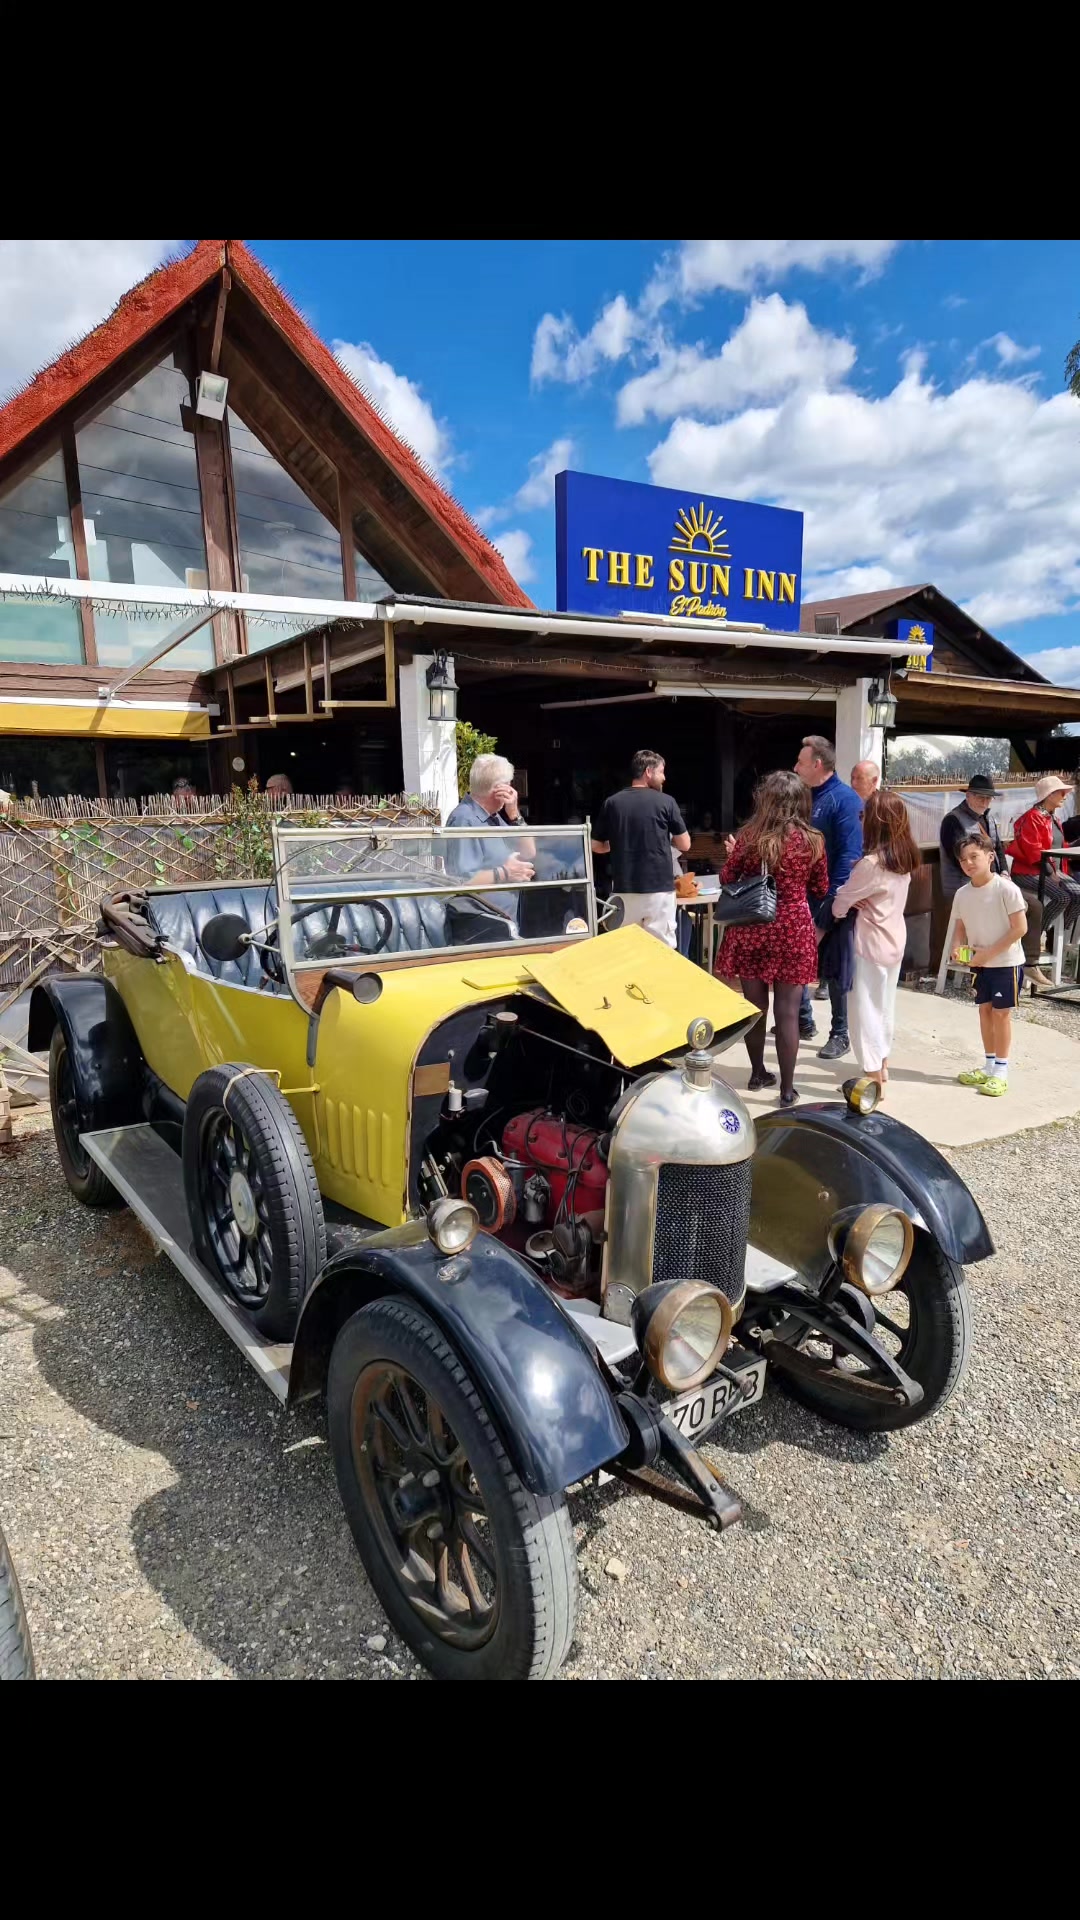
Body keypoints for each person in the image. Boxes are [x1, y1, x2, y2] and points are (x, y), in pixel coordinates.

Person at [715, 770, 828, 1107]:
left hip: (753, 925)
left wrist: (736, 855)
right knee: (788, 1012)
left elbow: (727, 877)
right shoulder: (813, 840)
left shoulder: (750, 836)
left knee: (755, 1007)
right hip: (793, 928)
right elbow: (820, 888)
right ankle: (787, 1090)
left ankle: (757, 1073)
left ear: (766, 799)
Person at [832, 789, 920, 1100]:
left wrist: (841, 903)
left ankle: (872, 1078)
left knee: (864, 1011)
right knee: (885, 1007)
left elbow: (841, 903)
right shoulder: (905, 859)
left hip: (869, 943)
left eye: (865, 814)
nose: (861, 818)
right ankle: (882, 1067)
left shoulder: (871, 864)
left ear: (876, 821)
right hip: (894, 938)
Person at [793, 735, 864, 1057]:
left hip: (833, 899)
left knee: (835, 969)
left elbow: (850, 855)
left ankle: (841, 1033)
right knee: (796, 960)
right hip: (802, 894)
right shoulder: (805, 798)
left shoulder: (844, 800)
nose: (796, 768)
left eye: (801, 762)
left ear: (817, 765)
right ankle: (803, 1020)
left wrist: (833, 903)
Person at [950, 831, 1028, 1097]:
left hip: (1006, 962)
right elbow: (960, 927)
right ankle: (989, 1065)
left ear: (990, 856)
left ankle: (1001, 1071)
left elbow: (1020, 928)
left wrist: (988, 954)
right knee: (984, 1010)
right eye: (963, 860)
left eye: (974, 856)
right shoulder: (962, 894)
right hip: (980, 963)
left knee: (1000, 1013)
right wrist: (957, 949)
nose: (969, 863)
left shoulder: (1006, 889)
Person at [591, 750, 690, 948]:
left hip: (624, 889)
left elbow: (595, 845)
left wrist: (617, 844)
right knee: (661, 950)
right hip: (659, 890)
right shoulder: (666, 802)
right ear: (648, 772)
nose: (664, 777)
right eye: (661, 772)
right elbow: (685, 844)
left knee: (626, 950)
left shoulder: (612, 803)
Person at [446, 753, 535, 931]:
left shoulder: (494, 818)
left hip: (501, 923)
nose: (512, 790)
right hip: (480, 927)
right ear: (499, 790)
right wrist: (505, 873)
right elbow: (462, 881)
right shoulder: (464, 820)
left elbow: (529, 852)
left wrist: (515, 814)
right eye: (509, 784)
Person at [1007, 776, 1074, 986]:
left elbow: (1059, 848)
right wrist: (1050, 871)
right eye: (1061, 792)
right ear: (1049, 795)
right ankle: (1040, 935)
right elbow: (1033, 850)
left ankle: (1053, 933)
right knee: (1063, 897)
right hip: (1028, 872)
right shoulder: (1033, 817)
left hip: (1051, 871)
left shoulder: (1052, 817)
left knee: (1077, 894)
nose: (1065, 795)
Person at [939, 775, 1006, 893]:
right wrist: (988, 879)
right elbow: (959, 858)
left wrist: (1004, 872)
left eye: (988, 798)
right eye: (980, 797)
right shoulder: (952, 820)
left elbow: (998, 848)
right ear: (968, 796)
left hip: (991, 883)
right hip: (964, 888)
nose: (984, 803)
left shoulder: (989, 818)